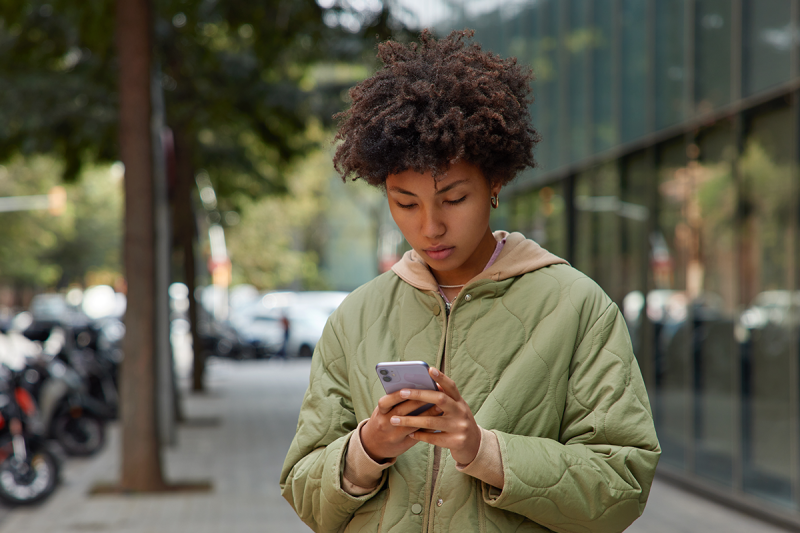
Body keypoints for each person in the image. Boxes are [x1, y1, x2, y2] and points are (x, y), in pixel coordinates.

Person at [280, 29, 660, 533]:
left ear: (495, 182)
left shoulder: (577, 307)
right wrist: (367, 448)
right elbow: (304, 491)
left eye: (454, 199)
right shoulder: (356, 316)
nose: (430, 226)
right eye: (405, 203)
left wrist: (484, 451)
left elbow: (623, 483)